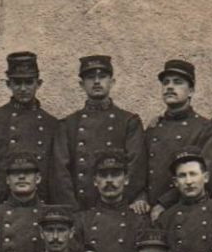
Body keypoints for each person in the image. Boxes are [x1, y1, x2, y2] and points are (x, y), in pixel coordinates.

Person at [49, 55, 147, 209]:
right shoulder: (68, 124)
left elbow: (135, 168)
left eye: (102, 77)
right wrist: (73, 211)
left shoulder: (128, 121)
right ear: (82, 84)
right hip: (80, 209)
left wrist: (120, 203)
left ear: (112, 82)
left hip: (118, 208)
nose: (96, 82)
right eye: (90, 78)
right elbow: (60, 173)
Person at [0, 52, 59, 208]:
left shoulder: (52, 124)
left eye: (28, 82)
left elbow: (58, 173)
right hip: (1, 204)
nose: (23, 88)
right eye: (17, 83)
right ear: (8, 84)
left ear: (38, 84)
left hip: (40, 206)